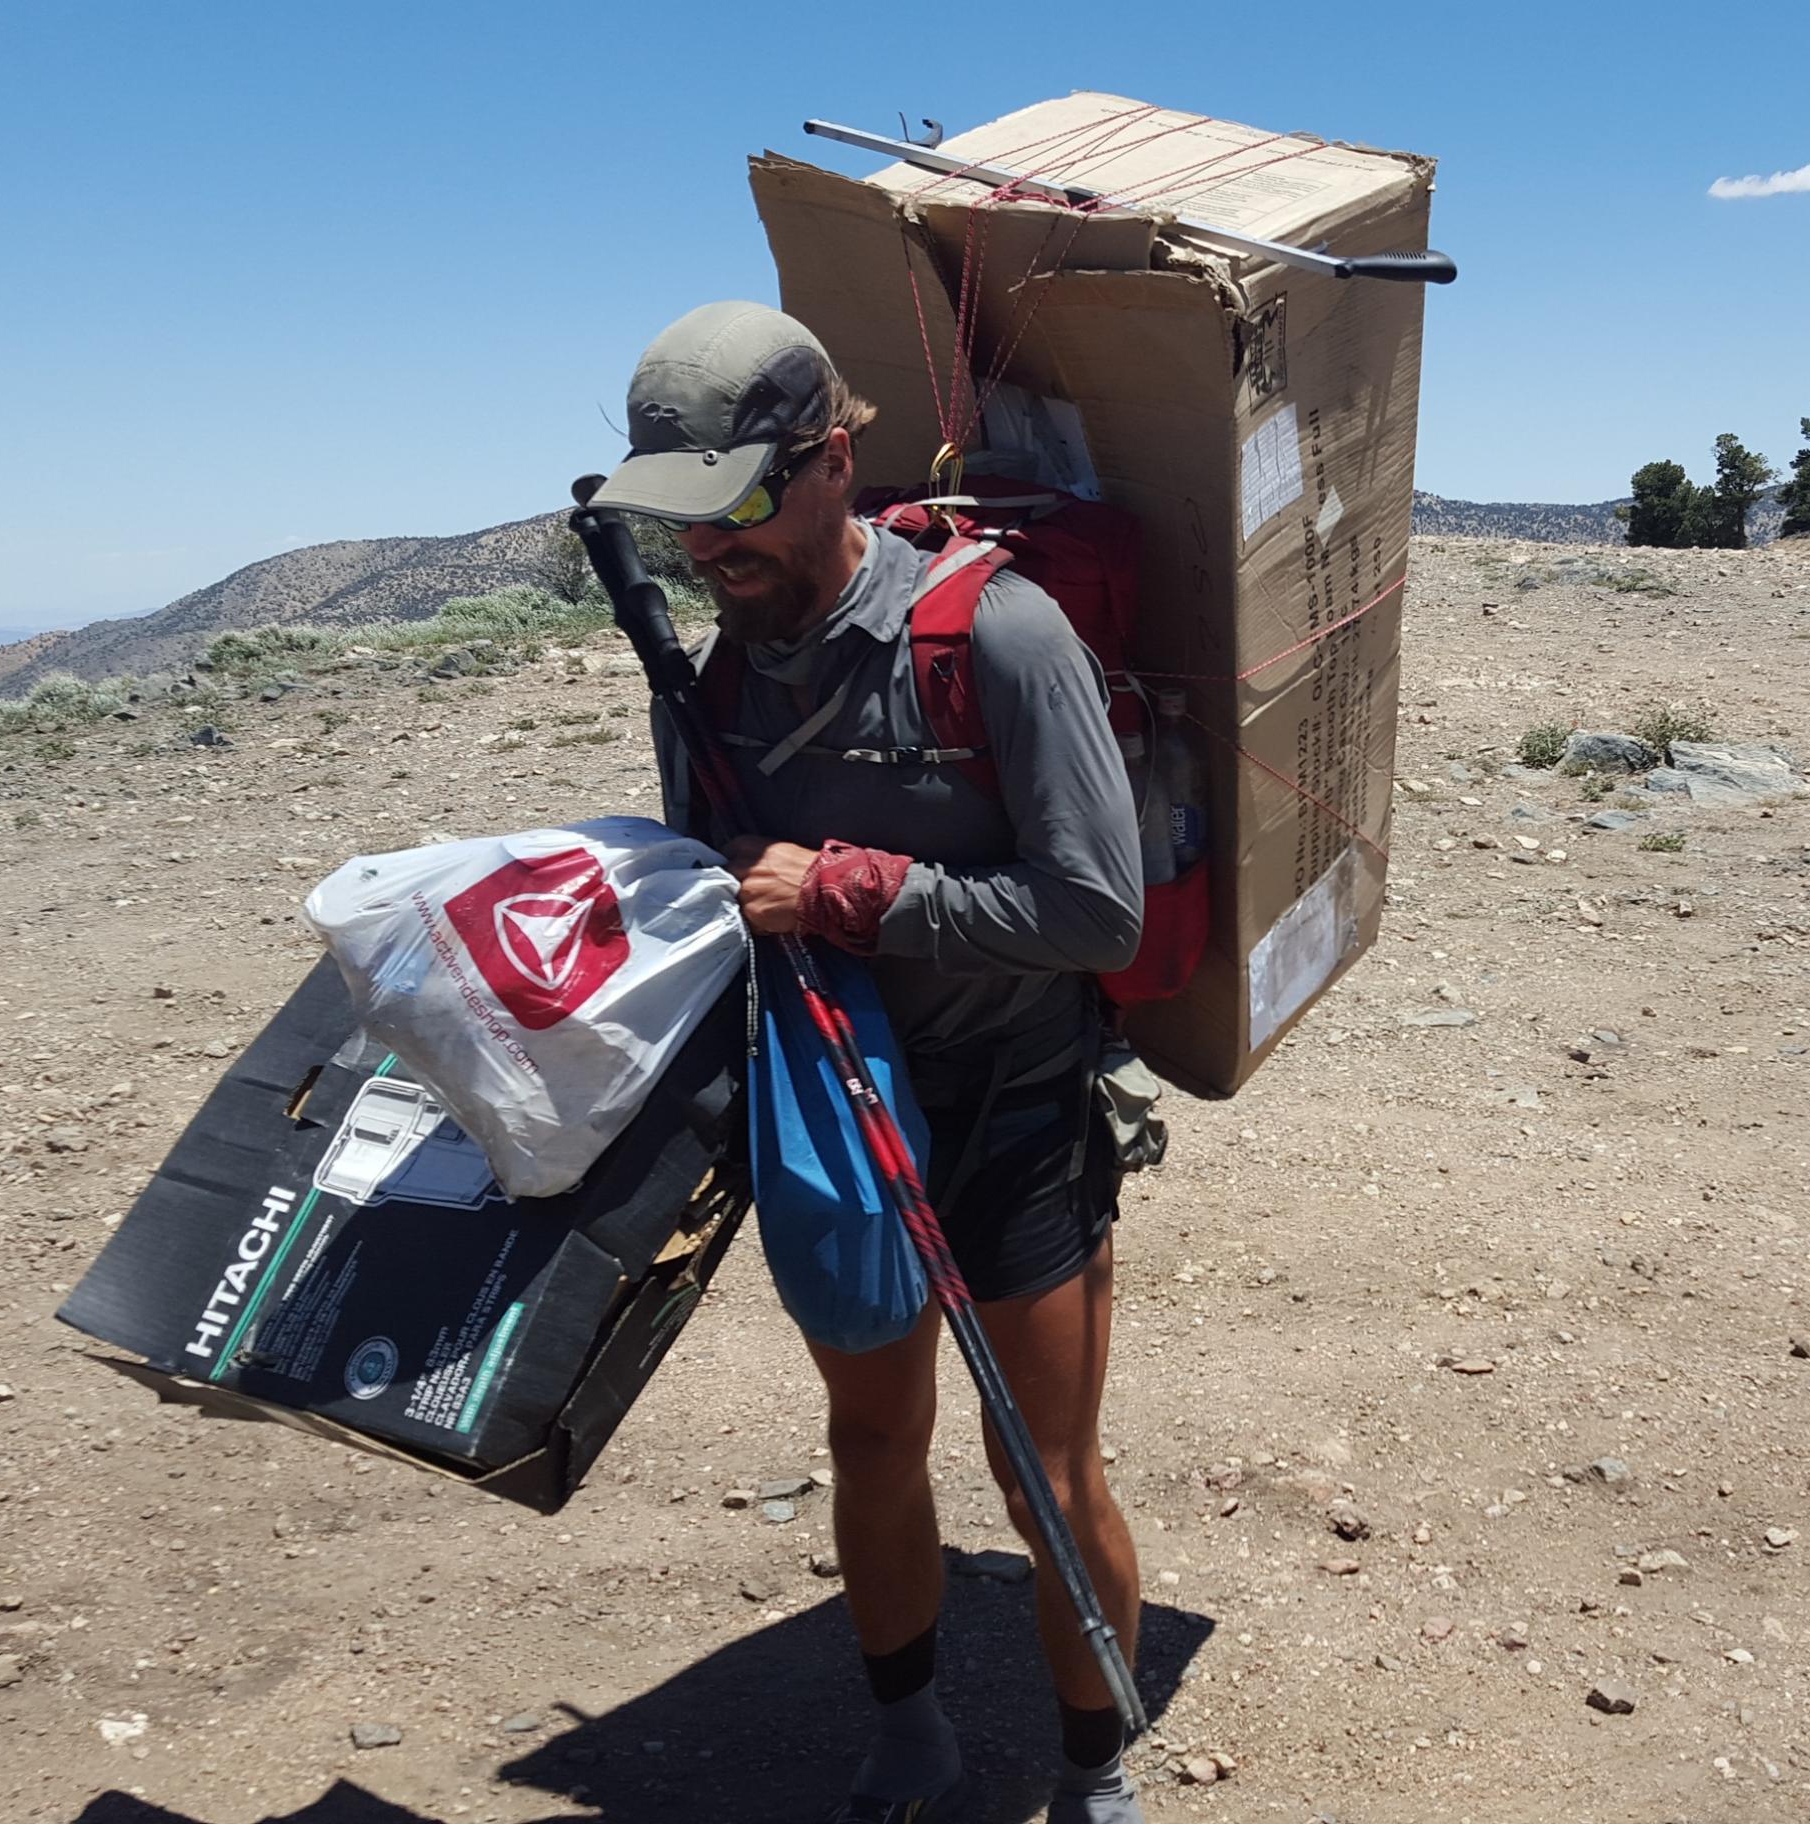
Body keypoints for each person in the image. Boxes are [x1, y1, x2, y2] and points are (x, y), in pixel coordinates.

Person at [588, 302, 1149, 1824]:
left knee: (1044, 1468)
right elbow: (718, 892)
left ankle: (1093, 1765)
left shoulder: (999, 633)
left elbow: (1098, 913)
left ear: (836, 460)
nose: (715, 555)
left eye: (745, 510)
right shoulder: (714, 681)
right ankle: (909, 1732)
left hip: (1021, 1118)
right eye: (687, 527)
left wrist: (846, 889)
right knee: (872, 1436)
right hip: (839, 1118)